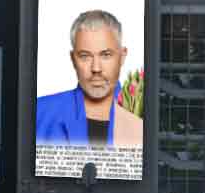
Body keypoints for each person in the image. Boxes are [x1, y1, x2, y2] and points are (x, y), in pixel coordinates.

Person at [35, 9, 143, 148]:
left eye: (106, 55)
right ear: (73, 59)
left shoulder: (142, 116)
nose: (96, 68)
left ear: (122, 56)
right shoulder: (40, 111)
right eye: (85, 56)